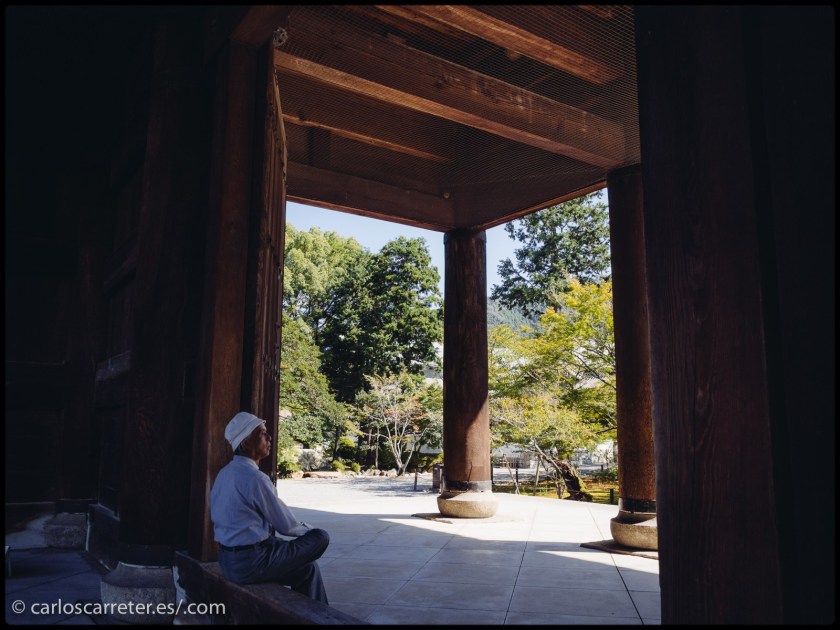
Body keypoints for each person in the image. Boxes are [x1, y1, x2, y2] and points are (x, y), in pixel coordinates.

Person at [210, 411, 330, 604]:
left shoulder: (225, 473)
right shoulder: (255, 478)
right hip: (250, 563)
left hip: (228, 559)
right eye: (262, 433)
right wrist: (312, 532)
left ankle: (316, 616)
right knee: (321, 537)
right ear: (247, 442)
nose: (269, 437)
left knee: (308, 569)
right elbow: (287, 526)